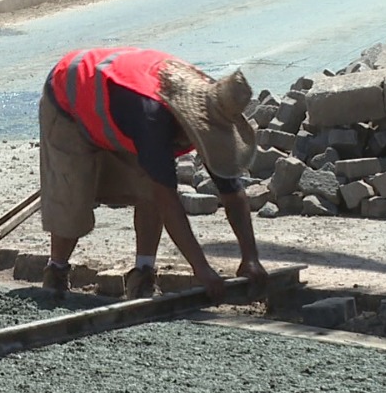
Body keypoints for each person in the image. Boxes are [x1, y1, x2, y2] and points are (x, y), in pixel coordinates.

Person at [38, 48, 268, 302]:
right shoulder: (153, 117)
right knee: (72, 194)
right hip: (68, 97)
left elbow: (233, 193)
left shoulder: (213, 106)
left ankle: (143, 274)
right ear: (190, 123)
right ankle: (56, 272)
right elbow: (168, 201)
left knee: (148, 186)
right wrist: (201, 269)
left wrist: (251, 257)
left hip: (117, 100)